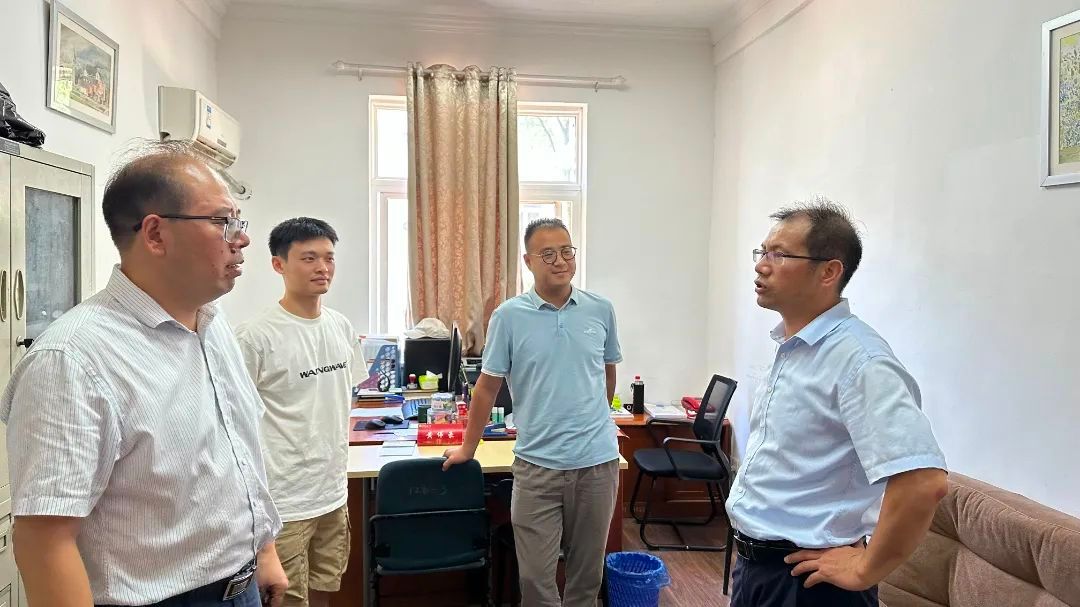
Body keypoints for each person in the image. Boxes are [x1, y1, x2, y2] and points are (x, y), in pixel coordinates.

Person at [0, 142, 287, 607]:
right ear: (155, 234)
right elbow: (44, 541)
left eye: (239, 222)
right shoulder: (73, 359)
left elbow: (239, 450)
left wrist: (263, 550)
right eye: (222, 222)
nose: (242, 239)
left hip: (241, 583)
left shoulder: (212, 324)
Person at [726, 197, 948, 607]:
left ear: (829, 271)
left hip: (809, 584)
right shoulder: (794, 347)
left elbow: (923, 481)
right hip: (757, 570)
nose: (761, 266)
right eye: (762, 252)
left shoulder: (860, 360)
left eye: (779, 254)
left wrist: (865, 569)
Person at [443, 218, 621, 607]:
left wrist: (593, 419)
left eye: (567, 251)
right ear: (528, 261)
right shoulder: (508, 316)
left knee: (586, 578)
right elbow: (486, 387)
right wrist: (468, 447)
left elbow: (607, 376)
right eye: (548, 254)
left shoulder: (600, 310)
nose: (561, 261)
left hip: (597, 465)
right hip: (537, 467)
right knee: (536, 581)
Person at [235, 217, 360, 607]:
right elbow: (234, 423)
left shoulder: (341, 327)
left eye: (328, 258)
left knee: (325, 591)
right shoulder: (255, 336)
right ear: (279, 265)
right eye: (308, 258)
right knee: (286, 600)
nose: (322, 268)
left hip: (332, 494)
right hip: (283, 503)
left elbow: (344, 399)